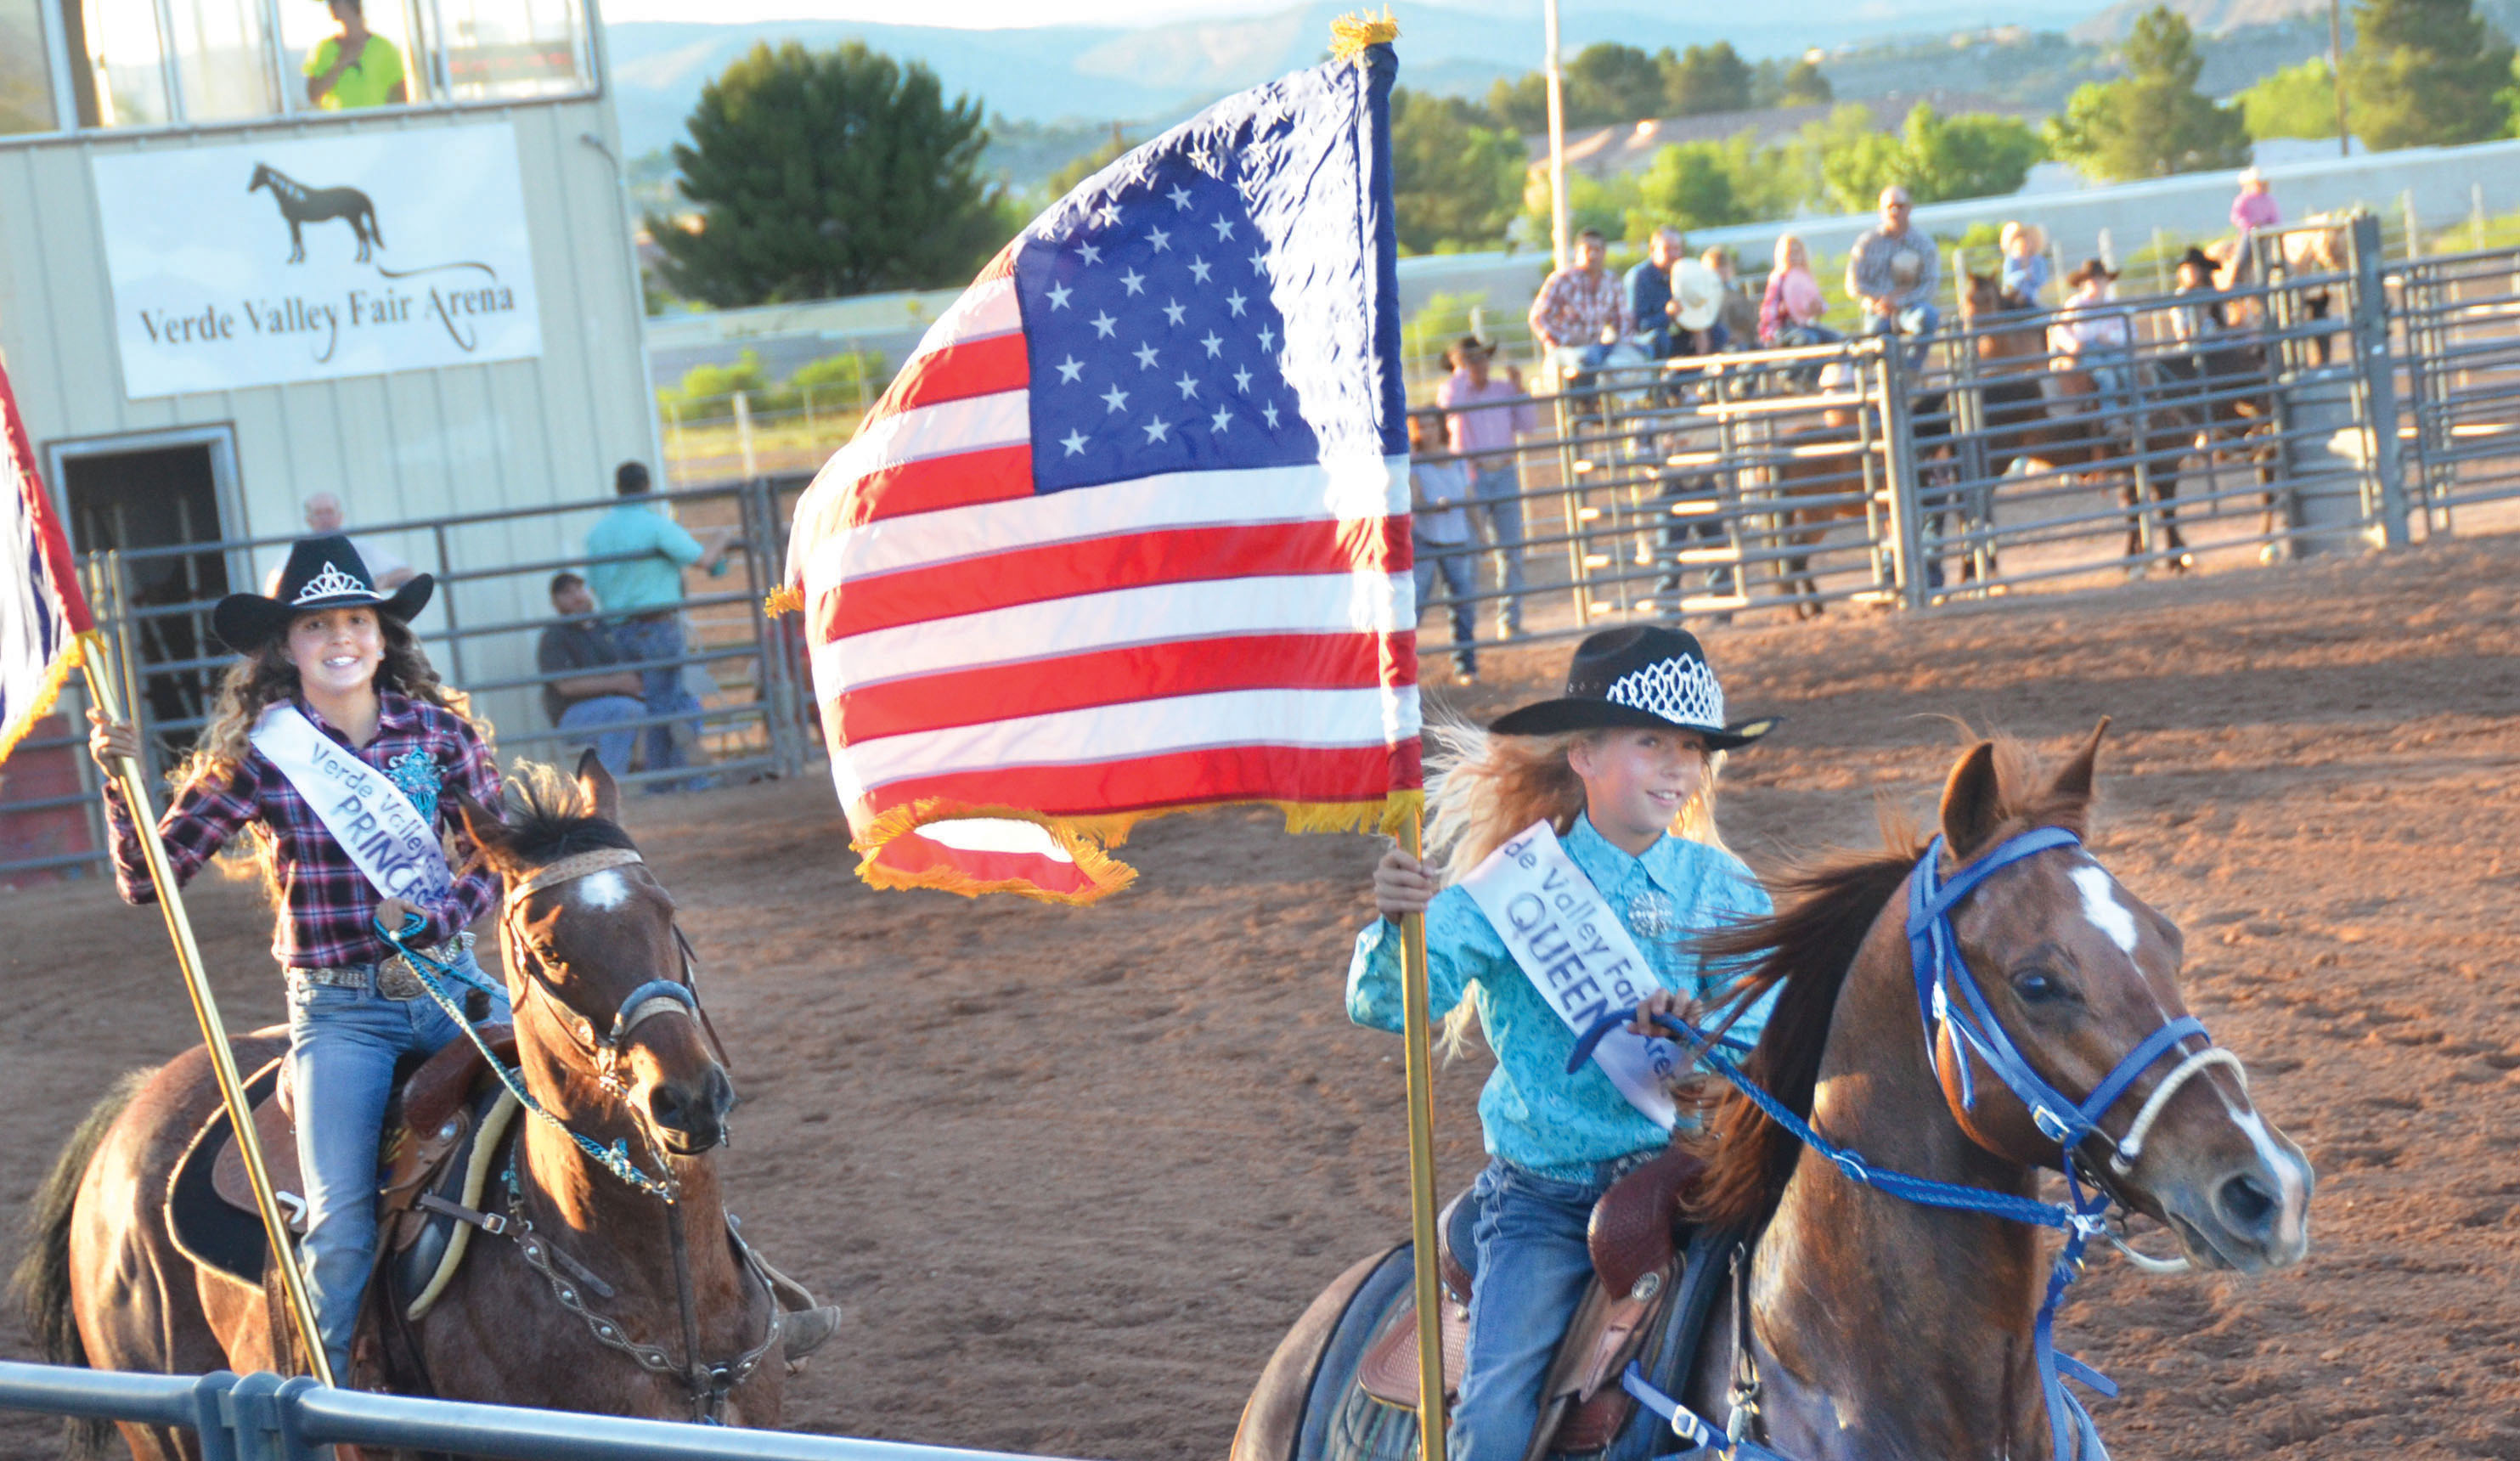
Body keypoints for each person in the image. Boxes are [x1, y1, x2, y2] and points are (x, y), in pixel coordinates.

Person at [1348, 626, 1779, 1461]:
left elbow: (1771, 1030)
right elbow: (1389, 1003)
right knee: (1499, 1412)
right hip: (1546, 1200)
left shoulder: (1723, 885)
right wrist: (1396, 924)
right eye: (1650, 742)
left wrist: (1709, 1036)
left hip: (1697, 1173)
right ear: (1583, 753)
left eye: (1691, 748)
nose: (1677, 767)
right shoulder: (1510, 888)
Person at [87, 534, 507, 1384]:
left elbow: (499, 855)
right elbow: (149, 881)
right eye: (317, 626)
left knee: (600, 1112)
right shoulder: (262, 756)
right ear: (286, 648)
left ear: (384, 637)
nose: (340, 638)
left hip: (454, 984)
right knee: (342, 1227)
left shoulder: (441, 733)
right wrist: (122, 789)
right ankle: (327, 1404)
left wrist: (436, 918)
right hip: (340, 1009)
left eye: (356, 619)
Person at [584, 461, 734, 790]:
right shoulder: (654, 526)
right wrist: (723, 537)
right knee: (671, 701)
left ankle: (662, 780)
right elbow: (705, 560)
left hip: (619, 630)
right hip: (656, 625)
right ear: (647, 487)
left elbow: (594, 584)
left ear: (618, 487)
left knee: (652, 703)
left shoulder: (598, 534)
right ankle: (685, 779)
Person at [1435, 336, 1536, 640]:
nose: (1479, 365)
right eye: (1470, 360)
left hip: (1503, 472)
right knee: (1469, 553)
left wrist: (1520, 389)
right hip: (1471, 476)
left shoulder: (1503, 390)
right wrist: (1461, 371)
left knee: (1511, 551)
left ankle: (1510, 621)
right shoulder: (1454, 391)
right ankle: (1468, 632)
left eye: (1481, 358)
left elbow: (1528, 425)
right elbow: (1448, 409)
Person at [537, 571, 646, 778]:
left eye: (579, 588)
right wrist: (617, 683)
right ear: (555, 602)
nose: (577, 596)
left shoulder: (604, 627)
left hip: (616, 706)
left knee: (671, 706)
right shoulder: (554, 636)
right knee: (625, 712)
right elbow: (566, 686)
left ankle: (670, 782)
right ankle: (609, 787)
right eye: (567, 593)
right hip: (573, 716)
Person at [1407, 414, 1480, 685]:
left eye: (1429, 424)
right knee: (1415, 604)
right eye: (1420, 426)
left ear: (1440, 428)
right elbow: (1415, 498)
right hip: (1426, 539)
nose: (1425, 431)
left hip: (1457, 538)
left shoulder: (1457, 460)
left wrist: (1480, 530)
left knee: (1463, 603)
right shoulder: (1414, 464)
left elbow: (1470, 497)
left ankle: (1466, 666)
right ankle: (1404, 664)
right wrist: (1431, 504)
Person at [1846, 185, 1941, 365]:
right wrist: (1879, 299)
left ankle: (1911, 370)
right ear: (1880, 211)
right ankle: (1881, 380)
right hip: (1877, 310)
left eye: (1900, 205)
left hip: (1911, 307)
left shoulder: (1923, 244)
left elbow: (1930, 284)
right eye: (1889, 207)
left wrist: (1899, 301)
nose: (1895, 211)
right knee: (1875, 334)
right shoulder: (1867, 243)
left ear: (1910, 208)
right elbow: (1853, 284)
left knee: (1929, 317)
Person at [1528, 228, 1636, 381]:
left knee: (1637, 356)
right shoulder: (1561, 280)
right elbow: (1538, 317)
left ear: (1604, 253)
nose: (1592, 255)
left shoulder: (1612, 281)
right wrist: (1565, 338)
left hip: (1598, 348)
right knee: (1586, 361)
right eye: (1587, 250)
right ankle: (1586, 401)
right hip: (1566, 351)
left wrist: (1624, 343)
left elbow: (1623, 319)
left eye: (1597, 250)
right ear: (1577, 252)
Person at [263, 493, 415, 595]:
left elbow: (407, 573)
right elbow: (272, 589)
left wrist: (382, 581)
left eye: (329, 512)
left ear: (340, 516)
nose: (325, 518)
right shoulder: (296, 551)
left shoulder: (359, 546)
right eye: (318, 513)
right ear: (309, 520)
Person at [2050, 258, 2135, 420]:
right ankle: (2113, 420)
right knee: (2106, 377)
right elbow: (2060, 329)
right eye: (2092, 280)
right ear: (2084, 283)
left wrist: (2110, 337)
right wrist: (2072, 344)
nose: (2096, 283)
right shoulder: (2075, 303)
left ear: (2106, 282)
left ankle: (2140, 414)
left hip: (2111, 348)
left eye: (2100, 279)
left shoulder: (2113, 305)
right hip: (2087, 350)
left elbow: (2130, 332)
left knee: (2127, 370)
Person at [304, 0, 406, 110]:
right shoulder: (323, 49)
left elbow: (401, 95)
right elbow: (313, 95)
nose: (330, 6)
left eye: (334, 2)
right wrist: (341, 63)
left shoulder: (384, 47)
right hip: (337, 125)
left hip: (374, 123)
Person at [1758, 234, 1841, 350]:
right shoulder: (1779, 278)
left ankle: (1817, 366)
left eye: (1797, 252)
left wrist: (1816, 308)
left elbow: (1815, 305)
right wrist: (1783, 311)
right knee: (1809, 338)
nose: (1794, 256)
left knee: (1835, 337)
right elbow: (1769, 312)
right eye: (1790, 253)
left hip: (1802, 325)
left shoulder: (1805, 277)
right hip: (1782, 328)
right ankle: (1800, 367)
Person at [1624, 228, 1688, 360]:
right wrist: (1668, 315)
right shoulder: (1638, 277)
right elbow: (1637, 325)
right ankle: (1662, 380)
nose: (1674, 254)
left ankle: (1698, 377)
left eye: (1677, 249)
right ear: (1653, 250)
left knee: (1717, 333)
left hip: (1678, 334)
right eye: (1667, 249)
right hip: (1645, 341)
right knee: (1661, 338)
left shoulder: (1683, 273)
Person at [1701, 247, 1758, 351]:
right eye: (1717, 267)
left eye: (1725, 266)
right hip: (1724, 343)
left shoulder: (1737, 292)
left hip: (1746, 339)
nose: (1722, 271)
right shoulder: (1706, 296)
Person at [2168, 245, 2228, 344]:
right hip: (2194, 347)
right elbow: (2183, 334)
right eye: (2187, 268)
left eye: (2195, 268)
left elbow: (2223, 325)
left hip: (2218, 344)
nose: (2191, 272)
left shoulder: (2212, 294)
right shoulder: (2181, 297)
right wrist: (2201, 313)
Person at [2000, 221, 2052, 306]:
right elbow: (2008, 280)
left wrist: (2031, 278)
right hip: (2012, 298)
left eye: (2027, 242)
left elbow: (2041, 280)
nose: (2025, 246)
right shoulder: (2011, 260)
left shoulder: (2038, 260)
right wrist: (2024, 274)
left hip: (2032, 298)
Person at [2230, 166, 2280, 240]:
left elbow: (2275, 216)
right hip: (2250, 232)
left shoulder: (2269, 199)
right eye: (2259, 183)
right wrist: (2250, 225)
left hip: (2267, 231)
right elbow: (2236, 216)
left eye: (2264, 183)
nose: (2263, 186)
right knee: (2245, 246)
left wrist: (2273, 226)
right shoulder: (2243, 199)